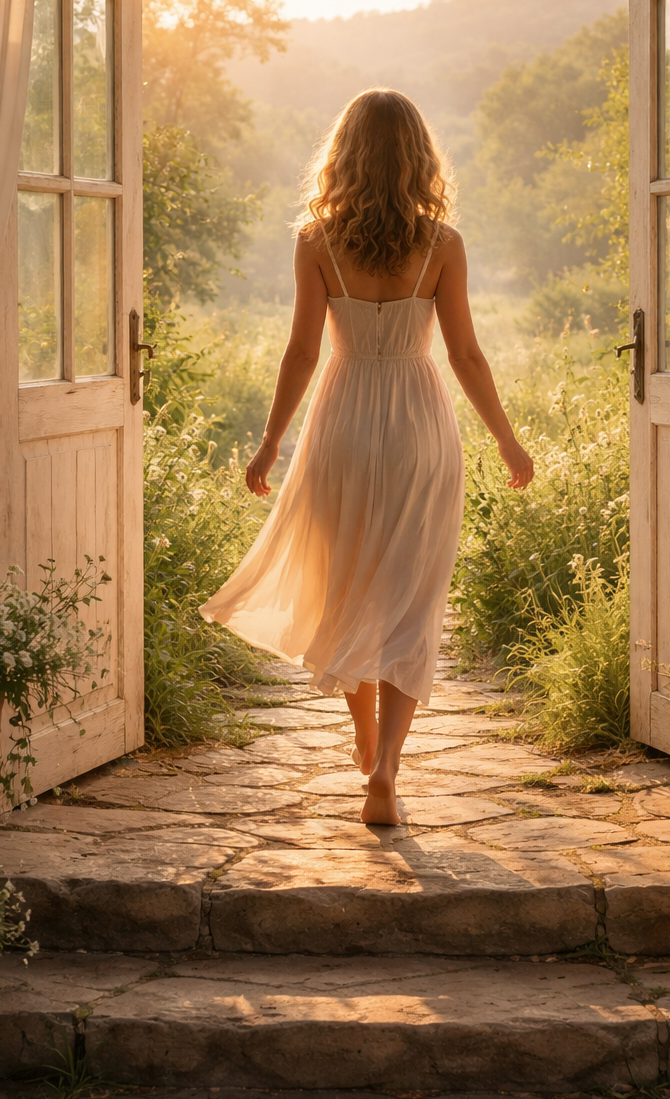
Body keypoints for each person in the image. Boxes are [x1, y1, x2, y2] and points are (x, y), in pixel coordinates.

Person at [200, 88, 533, 824]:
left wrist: (270, 439)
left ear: (343, 153)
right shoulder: (442, 244)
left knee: (351, 586)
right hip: (418, 423)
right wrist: (507, 437)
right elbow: (466, 354)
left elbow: (302, 351)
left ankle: (363, 736)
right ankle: (386, 771)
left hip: (344, 419)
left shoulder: (316, 242)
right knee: (413, 599)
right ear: (419, 154)